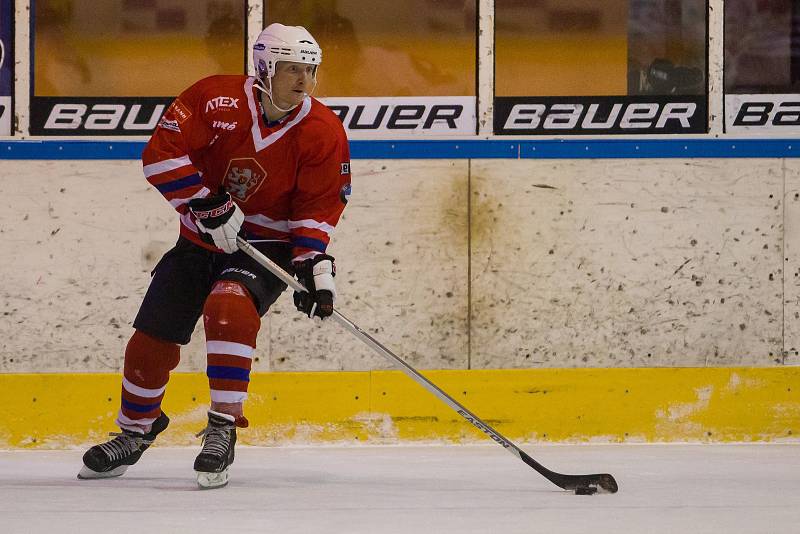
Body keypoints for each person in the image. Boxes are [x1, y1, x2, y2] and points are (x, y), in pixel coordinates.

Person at [77, 23, 352, 489]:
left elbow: (317, 207)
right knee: (152, 335)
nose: (303, 82)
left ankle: (222, 428)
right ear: (264, 69)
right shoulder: (214, 98)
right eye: (291, 70)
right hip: (198, 240)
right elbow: (160, 153)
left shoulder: (323, 130)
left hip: (264, 248)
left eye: (309, 71)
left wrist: (311, 265)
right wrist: (203, 201)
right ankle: (136, 429)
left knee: (229, 304)